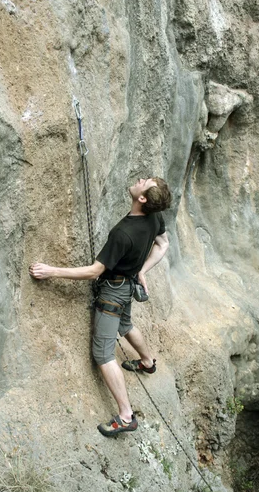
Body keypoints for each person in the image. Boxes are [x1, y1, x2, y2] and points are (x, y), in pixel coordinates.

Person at [29, 177, 171, 437]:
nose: (140, 180)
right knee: (126, 324)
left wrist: (52, 271)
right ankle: (148, 361)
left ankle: (126, 415)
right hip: (127, 286)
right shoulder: (155, 217)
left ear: (142, 199)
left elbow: (95, 270)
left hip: (113, 292)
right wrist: (142, 270)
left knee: (103, 354)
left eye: (144, 182)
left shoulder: (123, 232)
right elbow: (163, 244)